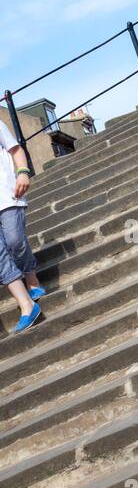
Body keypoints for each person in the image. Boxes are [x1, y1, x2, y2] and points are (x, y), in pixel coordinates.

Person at [0, 126, 43, 334]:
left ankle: (31, 277)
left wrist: (23, 173)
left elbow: (16, 150)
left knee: (15, 241)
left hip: (7, 195)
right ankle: (27, 304)